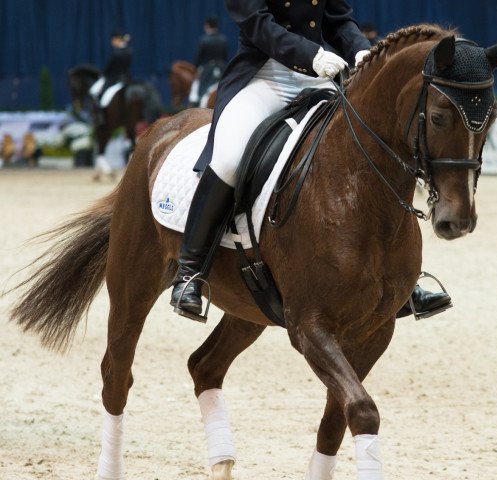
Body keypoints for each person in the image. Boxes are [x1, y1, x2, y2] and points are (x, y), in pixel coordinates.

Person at [170, 1, 451, 321]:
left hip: (321, 76)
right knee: (230, 159)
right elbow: (257, 24)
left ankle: (403, 281)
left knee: (371, 148)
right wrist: (311, 55)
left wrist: (362, 51)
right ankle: (190, 272)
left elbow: (339, 21)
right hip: (265, 77)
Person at [89, 31, 133, 121]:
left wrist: (103, 75)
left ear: (117, 40)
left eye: (113, 40)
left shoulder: (116, 53)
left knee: (96, 93)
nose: (112, 42)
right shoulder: (129, 51)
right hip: (126, 78)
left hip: (114, 78)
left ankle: (100, 115)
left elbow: (109, 68)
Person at [189, 16, 229, 107]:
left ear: (207, 26)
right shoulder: (223, 40)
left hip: (207, 69)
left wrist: (195, 68)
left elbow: (199, 58)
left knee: (196, 86)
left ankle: (196, 103)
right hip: (221, 69)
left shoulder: (204, 40)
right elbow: (225, 57)